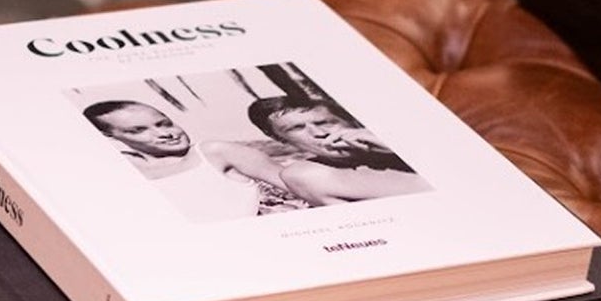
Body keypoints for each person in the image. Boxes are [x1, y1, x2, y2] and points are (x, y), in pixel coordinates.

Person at [80, 100, 312, 218]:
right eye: (138, 130)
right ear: (109, 136)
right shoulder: (121, 170)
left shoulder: (214, 151)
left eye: (164, 122)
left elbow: (302, 184)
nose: (165, 133)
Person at [243, 97, 429, 204]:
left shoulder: (410, 142)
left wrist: (396, 147)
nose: (319, 133)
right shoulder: (305, 175)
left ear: (351, 121)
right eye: (297, 128)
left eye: (324, 122)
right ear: (279, 139)